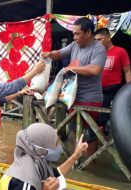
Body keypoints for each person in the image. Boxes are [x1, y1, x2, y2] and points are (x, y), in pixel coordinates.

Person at [42, 17, 106, 155]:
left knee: (89, 135)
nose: (74, 37)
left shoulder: (98, 48)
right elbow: (59, 54)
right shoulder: (74, 45)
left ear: (88, 33)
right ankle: (77, 161)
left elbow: (95, 70)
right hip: (72, 96)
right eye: (73, 34)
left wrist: (71, 69)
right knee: (74, 130)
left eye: (77, 34)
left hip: (90, 99)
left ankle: (90, 166)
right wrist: (49, 54)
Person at [0, 123, 88, 190]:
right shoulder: (25, 181)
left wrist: (76, 155)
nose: (59, 148)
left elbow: (55, 172)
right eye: (55, 144)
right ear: (42, 148)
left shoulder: (34, 159)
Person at [95, 28, 131, 129]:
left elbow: (127, 71)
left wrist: (130, 91)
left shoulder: (120, 51)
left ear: (108, 37)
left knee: (109, 118)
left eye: (100, 39)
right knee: (95, 117)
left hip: (113, 89)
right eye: (96, 40)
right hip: (97, 90)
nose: (98, 42)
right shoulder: (96, 53)